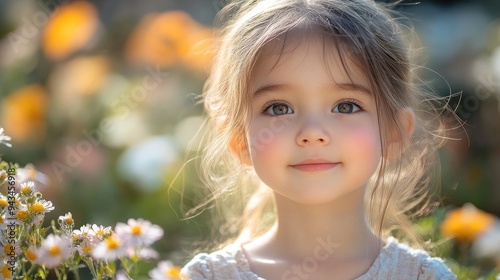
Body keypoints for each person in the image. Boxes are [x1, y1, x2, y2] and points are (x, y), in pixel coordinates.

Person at [181, 0, 457, 279]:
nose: (312, 133)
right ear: (239, 139)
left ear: (394, 133)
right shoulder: (208, 276)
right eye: (279, 108)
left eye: (346, 106)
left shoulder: (423, 276)